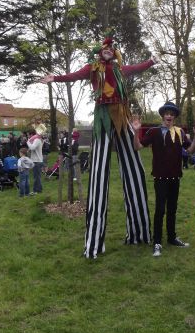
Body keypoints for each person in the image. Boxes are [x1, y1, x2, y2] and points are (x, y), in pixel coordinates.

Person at [41, 32, 157, 259]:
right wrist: (55, 78)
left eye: (111, 48)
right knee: (99, 172)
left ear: (114, 52)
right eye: (105, 47)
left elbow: (136, 68)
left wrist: (151, 61)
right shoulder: (92, 68)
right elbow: (73, 76)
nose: (108, 49)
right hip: (103, 118)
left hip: (122, 116)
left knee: (133, 167)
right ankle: (94, 243)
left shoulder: (120, 69)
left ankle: (139, 233)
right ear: (99, 51)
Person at [132, 102, 195, 257]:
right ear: (163, 115)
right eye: (166, 113)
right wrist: (136, 132)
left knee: (172, 209)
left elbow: (190, 151)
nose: (169, 116)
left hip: (175, 177)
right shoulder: (154, 132)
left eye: (172, 113)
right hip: (160, 178)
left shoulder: (180, 132)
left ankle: (171, 238)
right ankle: (157, 242)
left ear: (174, 116)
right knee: (160, 210)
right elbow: (137, 147)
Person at [27, 128, 43, 194]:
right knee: (36, 176)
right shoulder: (36, 140)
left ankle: (36, 190)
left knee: (36, 177)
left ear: (31, 134)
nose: (28, 137)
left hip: (37, 161)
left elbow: (32, 147)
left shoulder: (36, 140)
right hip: (36, 160)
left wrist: (28, 142)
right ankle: (38, 189)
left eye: (28, 135)